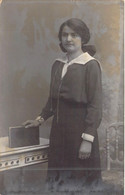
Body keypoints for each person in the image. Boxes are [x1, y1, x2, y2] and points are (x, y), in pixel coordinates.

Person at [23, 18, 102, 192]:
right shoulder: (58, 65)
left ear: (83, 38)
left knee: (79, 184)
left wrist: (87, 140)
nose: (68, 39)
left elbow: (95, 106)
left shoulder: (90, 65)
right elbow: (53, 100)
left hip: (79, 135)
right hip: (58, 135)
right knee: (57, 184)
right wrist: (40, 119)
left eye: (74, 35)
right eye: (65, 35)